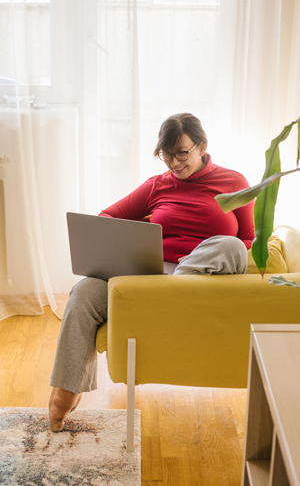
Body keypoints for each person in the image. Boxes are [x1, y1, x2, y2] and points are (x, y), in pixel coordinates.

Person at [49, 113, 254, 431]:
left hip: (208, 275)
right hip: (153, 276)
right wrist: (134, 240)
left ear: (202, 146)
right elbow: (105, 219)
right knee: (84, 290)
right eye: (166, 153)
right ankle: (65, 391)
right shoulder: (156, 185)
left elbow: (248, 240)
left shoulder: (234, 182)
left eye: (181, 152)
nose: (173, 161)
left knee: (229, 246)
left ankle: (166, 294)